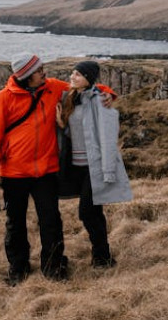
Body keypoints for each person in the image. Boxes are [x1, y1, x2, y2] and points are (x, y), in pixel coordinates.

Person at [0, 53, 117, 286]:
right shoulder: (2, 99)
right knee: (15, 223)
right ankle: (18, 268)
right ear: (26, 76)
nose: (44, 72)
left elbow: (85, 85)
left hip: (45, 172)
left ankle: (54, 267)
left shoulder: (52, 87)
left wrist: (108, 94)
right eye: (39, 70)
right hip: (14, 173)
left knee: (51, 221)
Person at [56, 60, 133, 269]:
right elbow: (77, 133)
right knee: (94, 211)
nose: (72, 77)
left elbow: (108, 138)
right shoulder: (71, 96)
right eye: (73, 73)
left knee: (87, 211)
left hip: (94, 166)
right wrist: (63, 126)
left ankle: (101, 255)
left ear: (88, 79)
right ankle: (103, 258)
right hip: (76, 166)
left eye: (78, 75)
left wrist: (108, 171)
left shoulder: (100, 100)